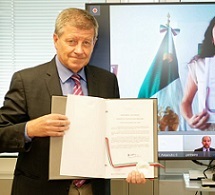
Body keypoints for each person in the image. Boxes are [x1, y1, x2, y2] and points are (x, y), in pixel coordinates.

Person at [0, 8, 146, 195]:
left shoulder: (107, 80)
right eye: (72, 41)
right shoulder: (26, 80)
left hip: (92, 189)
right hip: (40, 189)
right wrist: (30, 129)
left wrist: (132, 166)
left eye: (86, 42)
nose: (79, 50)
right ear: (56, 40)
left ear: (94, 43)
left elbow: (114, 135)